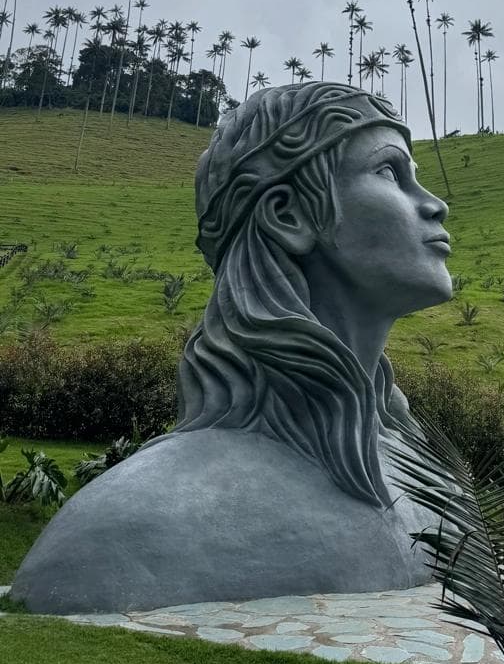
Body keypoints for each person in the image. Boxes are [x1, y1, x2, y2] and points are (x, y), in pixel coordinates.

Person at [13, 83, 453, 613]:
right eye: (389, 172)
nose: (435, 205)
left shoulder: (426, 471)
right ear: (287, 214)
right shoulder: (128, 527)